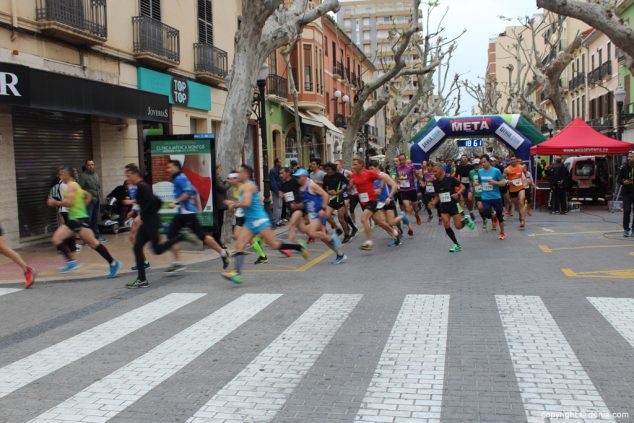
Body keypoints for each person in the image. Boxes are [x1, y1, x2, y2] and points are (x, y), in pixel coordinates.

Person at [222, 165, 309, 284]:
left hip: (260, 220)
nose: (239, 174)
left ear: (246, 174)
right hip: (250, 221)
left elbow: (246, 203)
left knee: (274, 245)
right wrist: (234, 204)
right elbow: (245, 203)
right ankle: (236, 273)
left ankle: (299, 247)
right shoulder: (243, 186)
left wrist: (234, 204)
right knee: (239, 245)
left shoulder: (249, 186)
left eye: (241, 172)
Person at [47, 166, 121, 276]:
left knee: (57, 238)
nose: (60, 175)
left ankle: (72, 262)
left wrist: (55, 203)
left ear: (68, 174)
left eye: (62, 173)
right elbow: (88, 195)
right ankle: (113, 263)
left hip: (76, 220)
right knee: (94, 244)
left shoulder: (71, 186)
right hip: (79, 218)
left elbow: (70, 203)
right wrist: (82, 208)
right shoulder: (75, 185)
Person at [163, 160, 231, 273]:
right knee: (170, 236)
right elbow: (194, 191)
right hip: (181, 214)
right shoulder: (178, 178)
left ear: (176, 167)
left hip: (188, 214)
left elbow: (189, 192)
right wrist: (199, 208)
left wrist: (176, 202)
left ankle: (223, 253)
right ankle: (177, 263)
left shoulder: (180, 178)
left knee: (202, 237)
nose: (168, 169)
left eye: (169, 167)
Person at [125, 165, 185, 288]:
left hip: (151, 223)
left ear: (135, 174)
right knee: (137, 248)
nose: (127, 178)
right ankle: (142, 279)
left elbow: (152, 202)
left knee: (157, 250)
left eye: (128, 175)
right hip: (148, 222)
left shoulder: (142, 187)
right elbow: (157, 201)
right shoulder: (142, 187)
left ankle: (180, 237)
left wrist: (144, 214)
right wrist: (144, 213)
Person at [294, 169, 347, 265]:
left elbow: (325, 195)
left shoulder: (312, 185)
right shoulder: (301, 189)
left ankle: (333, 238)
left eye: (299, 176)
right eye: (296, 177)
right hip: (312, 215)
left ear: (305, 176)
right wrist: (298, 206)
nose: (297, 178)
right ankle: (340, 254)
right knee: (322, 237)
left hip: (319, 213)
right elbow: (306, 203)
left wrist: (323, 208)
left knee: (312, 233)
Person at [348, 158, 400, 250]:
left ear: (361, 165)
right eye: (353, 164)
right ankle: (394, 232)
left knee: (364, 219)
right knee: (380, 222)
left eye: (355, 164)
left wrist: (380, 187)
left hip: (372, 201)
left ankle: (369, 242)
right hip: (364, 202)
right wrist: (350, 187)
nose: (353, 166)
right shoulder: (353, 175)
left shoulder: (369, 173)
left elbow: (383, 177)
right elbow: (350, 187)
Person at [430, 164, 474, 252]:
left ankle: (466, 220)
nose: (433, 173)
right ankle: (456, 244)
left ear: (441, 170)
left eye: (435, 171)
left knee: (458, 226)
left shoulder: (450, 179)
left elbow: (463, 187)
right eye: (433, 172)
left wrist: (458, 194)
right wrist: (433, 202)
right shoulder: (435, 182)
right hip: (443, 206)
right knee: (446, 223)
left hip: (453, 205)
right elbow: (437, 195)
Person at [477, 155, 506, 240]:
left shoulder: (496, 171)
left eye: (484, 162)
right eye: (481, 162)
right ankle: (493, 217)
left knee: (500, 216)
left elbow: (503, 182)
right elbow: (479, 181)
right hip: (485, 197)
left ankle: (502, 233)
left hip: (496, 197)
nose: (483, 164)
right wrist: (476, 183)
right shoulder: (480, 171)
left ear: (489, 161)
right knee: (486, 213)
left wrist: (495, 183)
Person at [78, 159, 105, 242]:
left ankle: (96, 236)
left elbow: (98, 187)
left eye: (92, 164)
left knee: (95, 219)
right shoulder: (83, 176)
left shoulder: (96, 175)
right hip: (89, 201)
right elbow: (80, 189)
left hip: (97, 200)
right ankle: (87, 237)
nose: (91, 166)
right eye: (89, 165)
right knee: (88, 219)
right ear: (86, 166)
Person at [323, 162, 350, 242]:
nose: (327, 171)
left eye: (328, 169)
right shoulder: (325, 177)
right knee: (327, 216)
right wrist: (328, 191)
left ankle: (346, 234)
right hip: (331, 199)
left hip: (340, 199)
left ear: (333, 169)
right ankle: (337, 229)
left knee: (341, 218)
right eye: (326, 169)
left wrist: (340, 191)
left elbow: (348, 184)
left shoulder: (339, 175)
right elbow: (324, 188)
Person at [396, 154, 422, 231]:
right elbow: (397, 177)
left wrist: (417, 175)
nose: (402, 161)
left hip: (412, 190)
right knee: (407, 209)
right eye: (400, 160)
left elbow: (417, 177)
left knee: (415, 208)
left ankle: (416, 215)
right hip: (403, 191)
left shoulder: (410, 167)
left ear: (405, 159)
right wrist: (396, 182)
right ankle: (410, 228)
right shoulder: (397, 168)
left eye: (403, 159)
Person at [504, 156, 527, 229]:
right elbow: (503, 178)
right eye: (511, 159)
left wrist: (527, 180)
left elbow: (526, 174)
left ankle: (523, 221)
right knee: (517, 208)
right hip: (512, 190)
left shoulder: (521, 167)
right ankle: (520, 216)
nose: (513, 161)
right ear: (510, 161)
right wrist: (509, 181)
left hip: (521, 187)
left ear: (517, 160)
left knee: (521, 202)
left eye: (514, 159)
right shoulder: (507, 169)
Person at [454, 155, 475, 221]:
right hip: (462, 186)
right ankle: (462, 213)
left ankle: (471, 211)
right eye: (462, 159)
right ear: (461, 160)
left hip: (469, 185)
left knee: (469, 199)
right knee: (462, 200)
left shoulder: (471, 167)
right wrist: (457, 184)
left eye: (465, 159)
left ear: (467, 159)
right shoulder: (458, 167)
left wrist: (473, 183)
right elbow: (456, 176)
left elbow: (473, 175)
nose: (464, 160)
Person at [618, 151, 634, 236]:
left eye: (631, 157)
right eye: (629, 157)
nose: (629, 158)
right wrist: (624, 182)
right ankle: (626, 229)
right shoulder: (624, 168)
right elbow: (618, 180)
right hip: (626, 193)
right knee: (627, 211)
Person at [213, 165, 229, 247]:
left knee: (219, 222)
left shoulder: (217, 177)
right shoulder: (216, 177)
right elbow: (222, 188)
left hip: (219, 203)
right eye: (219, 169)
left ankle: (217, 239)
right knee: (219, 222)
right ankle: (217, 240)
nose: (220, 170)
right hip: (219, 204)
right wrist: (227, 182)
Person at [269, 159, 283, 227]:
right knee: (276, 206)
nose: (280, 163)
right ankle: (275, 221)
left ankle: (279, 220)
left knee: (280, 206)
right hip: (276, 190)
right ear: (276, 163)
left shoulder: (280, 170)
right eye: (279, 162)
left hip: (281, 190)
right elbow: (273, 182)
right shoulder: (273, 171)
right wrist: (277, 191)